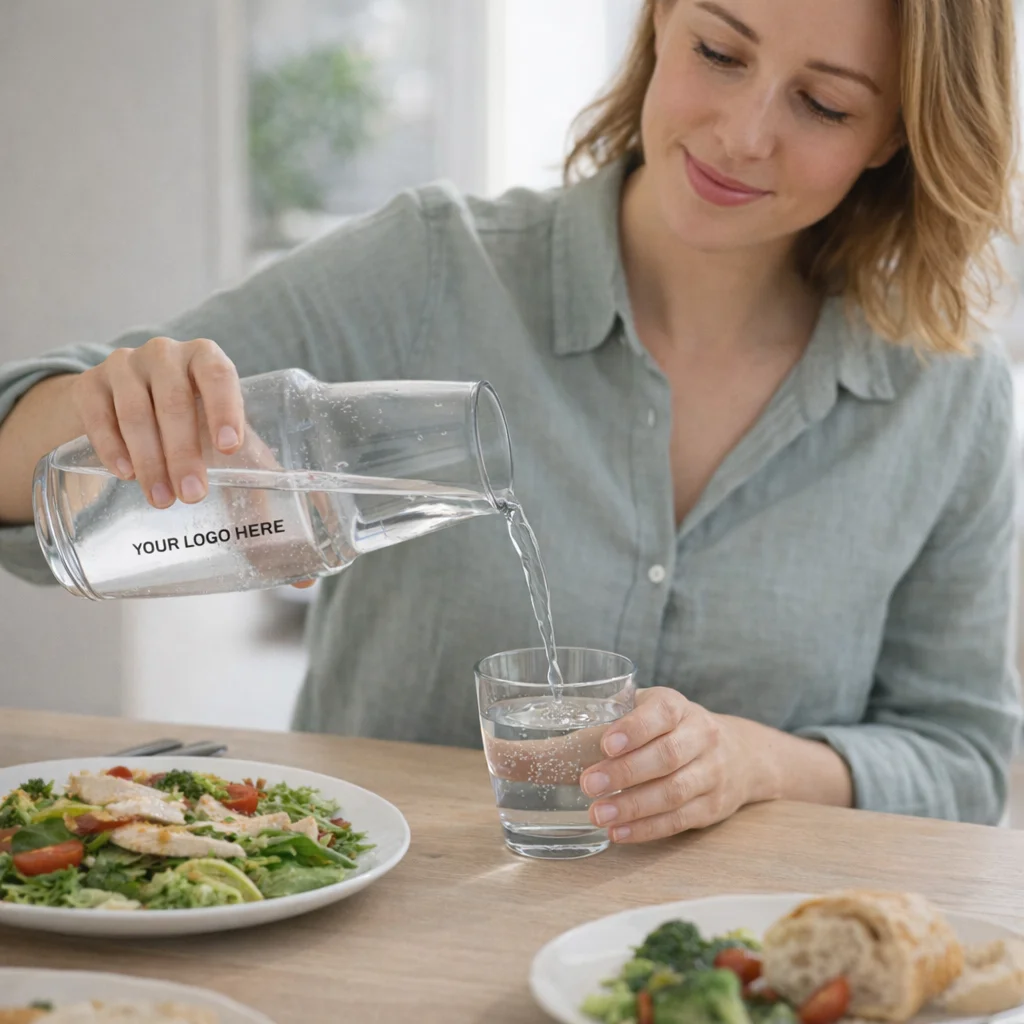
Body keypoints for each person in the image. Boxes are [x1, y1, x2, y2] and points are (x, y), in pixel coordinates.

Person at [0, 0, 1020, 843]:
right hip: (375, 948)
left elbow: (963, 757)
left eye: (823, 103)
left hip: (737, 961)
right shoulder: (431, 271)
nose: (745, 133)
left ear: (897, 129)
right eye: (718, 50)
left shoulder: (951, 397)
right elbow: (32, 469)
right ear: (660, 21)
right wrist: (129, 409)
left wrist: (760, 762)